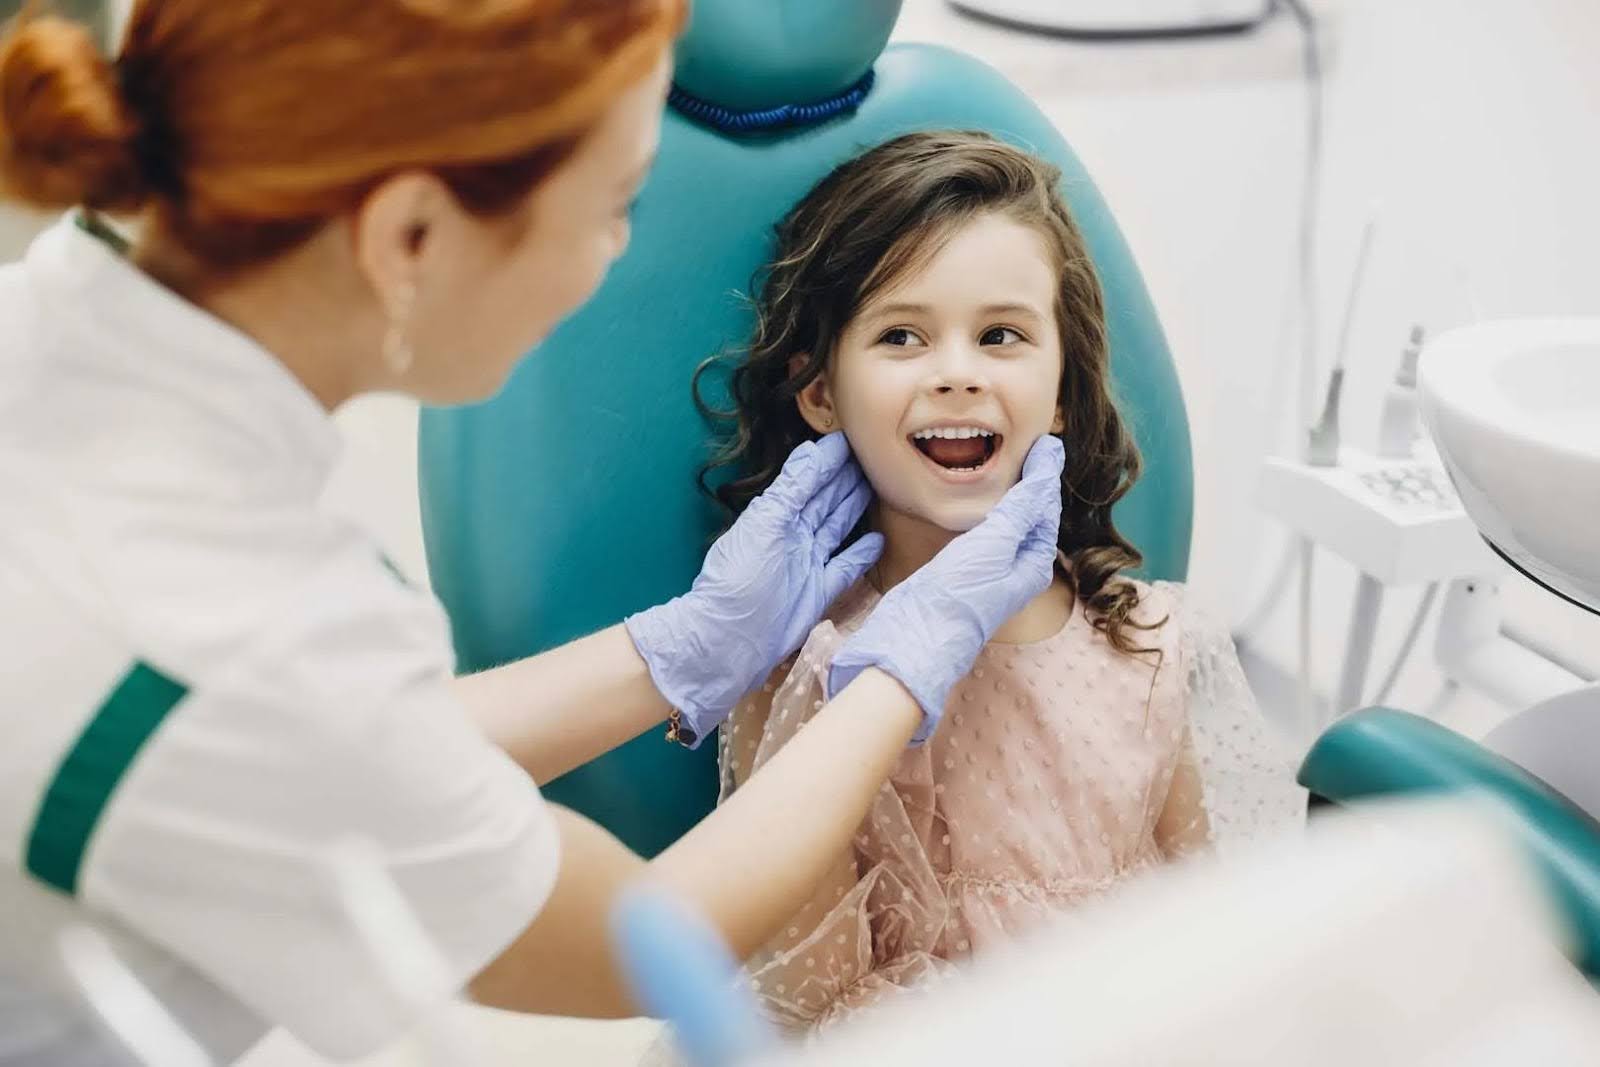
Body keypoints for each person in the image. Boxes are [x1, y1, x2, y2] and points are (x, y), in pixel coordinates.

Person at [0, 7, 1063, 1062]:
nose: (613, 259)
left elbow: (322, 754)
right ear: (409, 237)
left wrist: (682, 647)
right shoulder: (229, 633)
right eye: (617, 206)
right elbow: (642, 944)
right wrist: (902, 665)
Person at [677, 132, 1303, 1038]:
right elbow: (812, 1008)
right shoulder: (811, 673)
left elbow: (1205, 924)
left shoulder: (1149, 645)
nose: (958, 370)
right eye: (902, 335)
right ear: (819, 394)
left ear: (1059, 392)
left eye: (1001, 334)